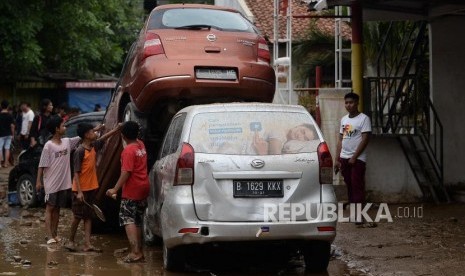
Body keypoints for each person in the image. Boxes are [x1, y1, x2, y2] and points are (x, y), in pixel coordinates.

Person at [64, 122, 121, 252]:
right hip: (80, 189)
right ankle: (70, 241)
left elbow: (103, 138)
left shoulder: (93, 146)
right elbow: (76, 173)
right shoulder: (79, 151)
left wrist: (116, 129)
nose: (94, 133)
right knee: (77, 216)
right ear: (86, 135)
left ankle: (87, 244)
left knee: (88, 216)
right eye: (91, 132)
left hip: (91, 188)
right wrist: (79, 192)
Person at [106, 121, 149, 263]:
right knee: (137, 220)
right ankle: (139, 252)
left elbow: (126, 172)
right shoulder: (141, 145)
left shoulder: (128, 151)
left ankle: (135, 252)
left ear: (123, 136)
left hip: (132, 189)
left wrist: (114, 189)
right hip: (144, 186)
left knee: (127, 219)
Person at [36, 115, 81, 245]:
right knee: (50, 208)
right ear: (57, 129)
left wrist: (97, 129)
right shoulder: (48, 146)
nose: (65, 127)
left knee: (58, 209)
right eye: (63, 125)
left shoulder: (67, 142)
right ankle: (49, 235)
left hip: (63, 183)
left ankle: (55, 234)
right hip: (51, 184)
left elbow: (82, 136)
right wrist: (38, 182)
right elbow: (41, 165)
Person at [334, 92, 372, 224]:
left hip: (357, 159)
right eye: (346, 103)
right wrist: (337, 159)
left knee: (357, 186)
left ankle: (359, 216)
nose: (348, 105)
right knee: (349, 186)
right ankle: (353, 214)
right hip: (344, 157)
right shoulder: (344, 120)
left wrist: (354, 157)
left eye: (351, 102)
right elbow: (340, 140)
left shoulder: (364, 119)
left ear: (357, 103)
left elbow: (365, 139)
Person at [0, 100, 15, 168]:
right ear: (8, 106)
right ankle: (6, 163)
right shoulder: (10, 115)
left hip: (1, 134)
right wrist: (13, 134)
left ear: (1, 106)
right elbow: (12, 126)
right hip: (8, 134)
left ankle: (0, 164)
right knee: (7, 149)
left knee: (0, 149)